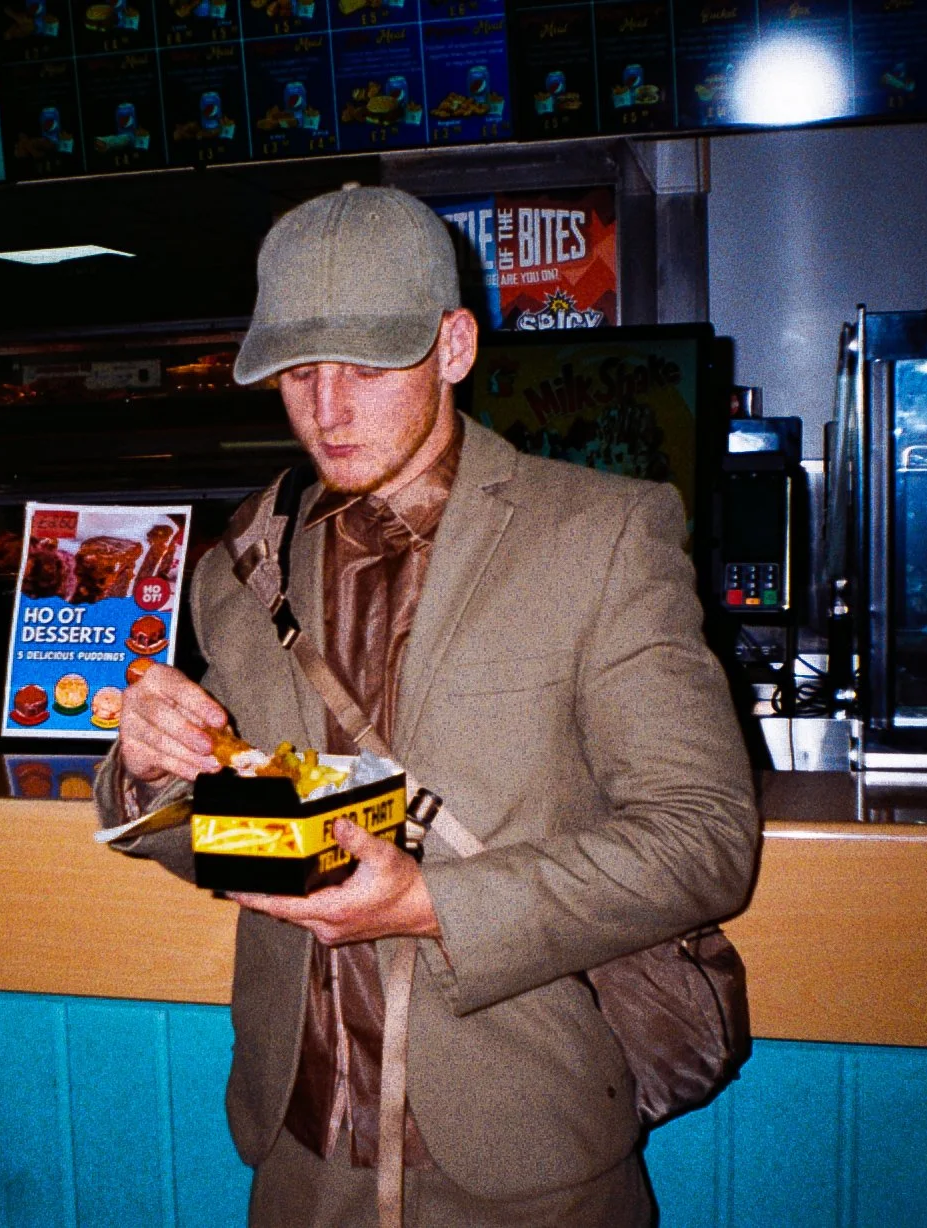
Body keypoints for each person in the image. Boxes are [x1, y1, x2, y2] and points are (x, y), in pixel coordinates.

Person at [95, 186, 758, 1226]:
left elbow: (706, 838)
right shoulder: (242, 564)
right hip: (297, 1153)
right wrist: (150, 771)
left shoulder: (601, 536)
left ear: (454, 347)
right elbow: (243, 835)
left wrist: (434, 906)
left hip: (525, 1158)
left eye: (368, 364)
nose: (328, 406)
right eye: (299, 371)